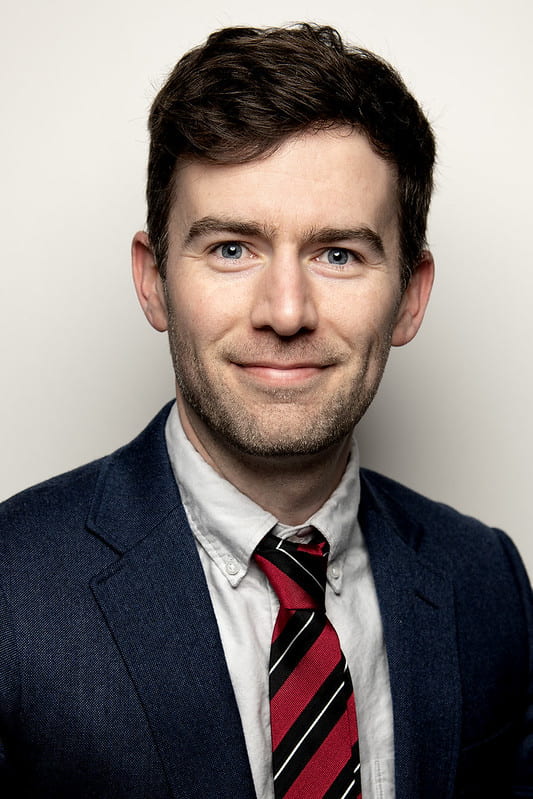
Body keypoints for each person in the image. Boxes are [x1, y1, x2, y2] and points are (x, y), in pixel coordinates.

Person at [0, 23, 531, 799]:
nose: (285, 312)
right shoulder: (13, 588)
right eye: (230, 248)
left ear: (410, 298)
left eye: (338, 254)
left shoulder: (485, 581)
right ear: (152, 281)